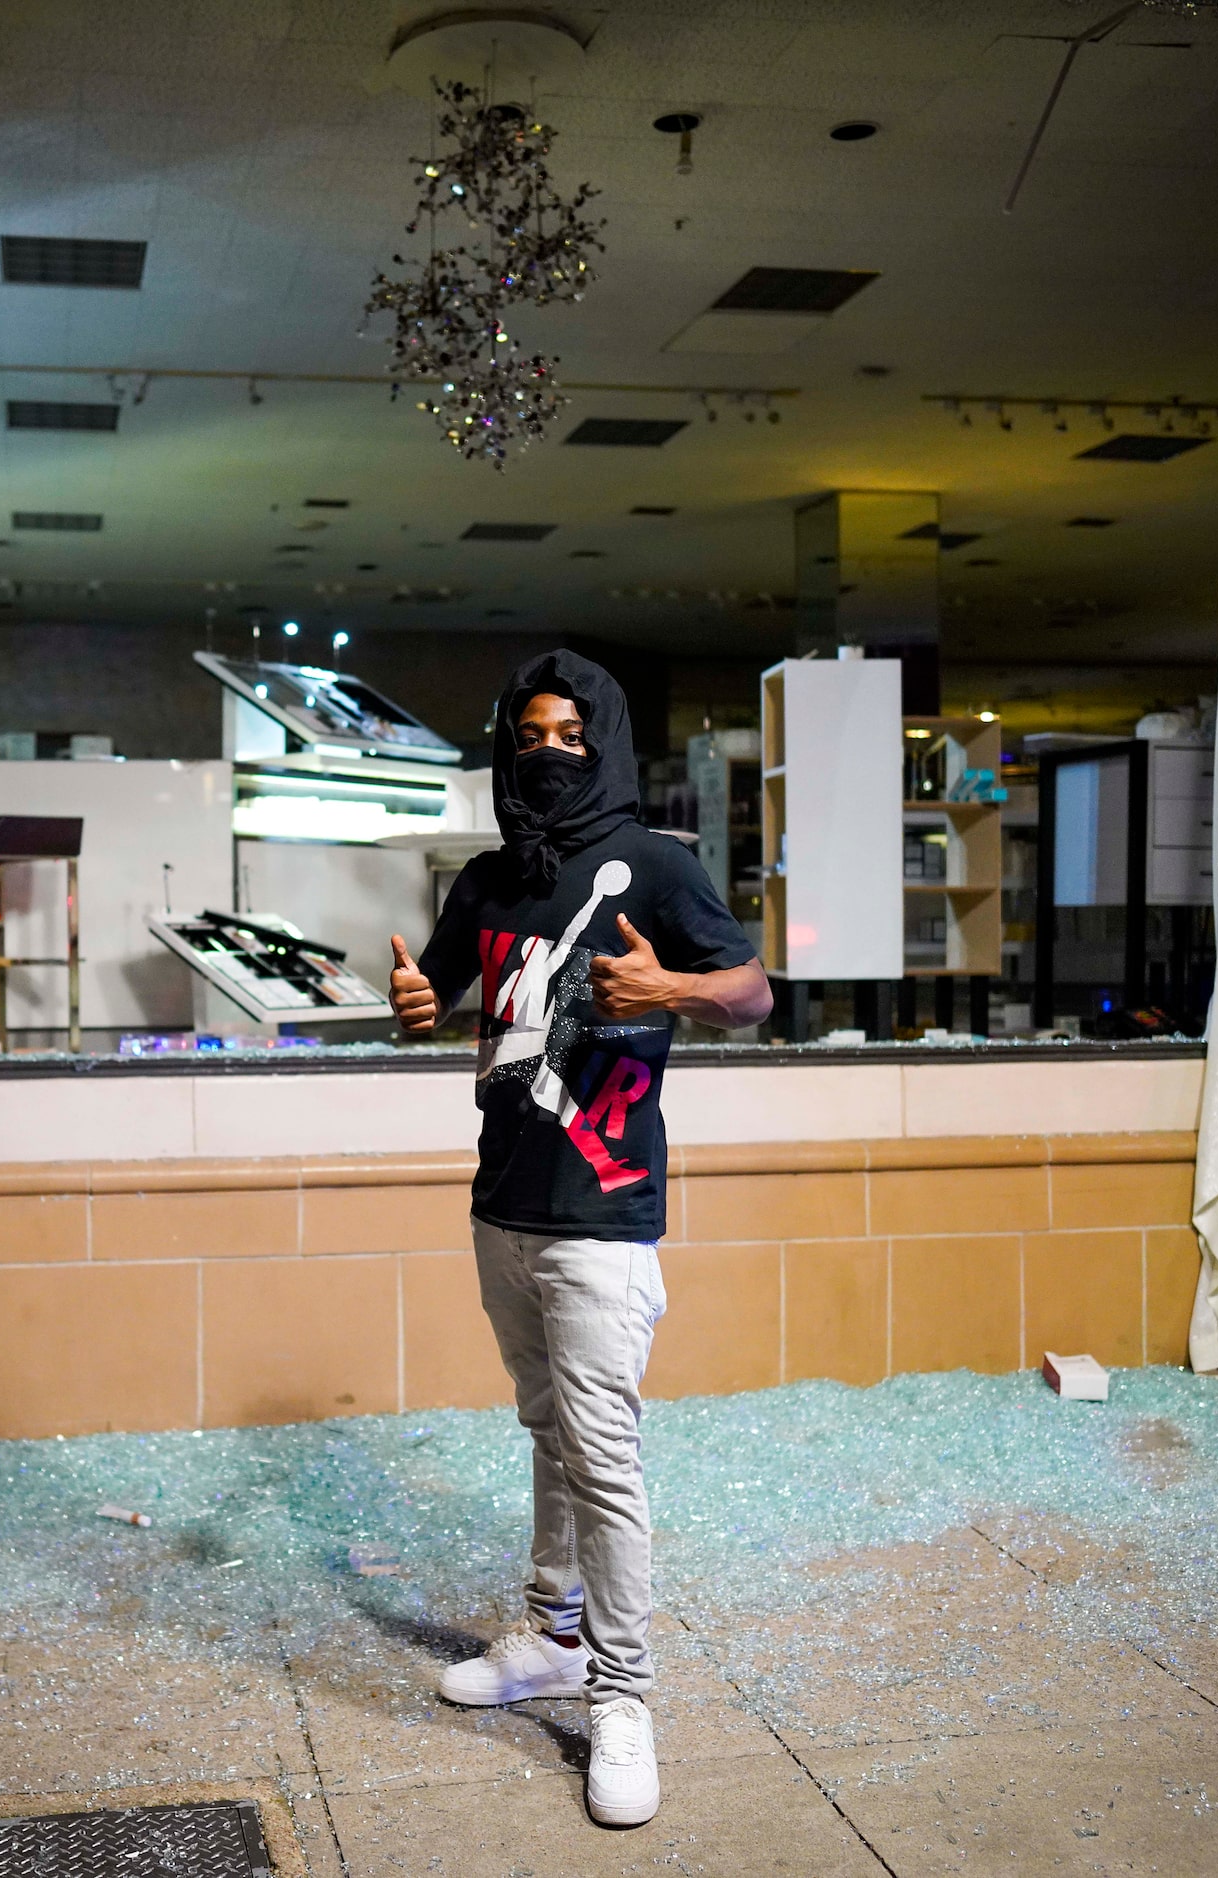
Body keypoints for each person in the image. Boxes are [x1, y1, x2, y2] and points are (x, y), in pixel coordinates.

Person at [386, 649, 771, 1828]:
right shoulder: (486, 882)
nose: (547, 753)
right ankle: (553, 1634)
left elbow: (755, 993)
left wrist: (675, 995)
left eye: (571, 735)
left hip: (603, 1216)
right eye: (529, 734)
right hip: (501, 1204)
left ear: (603, 742)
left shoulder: (656, 868)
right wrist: (411, 1009)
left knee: (603, 1454)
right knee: (548, 1425)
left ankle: (624, 1695)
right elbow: (436, 1001)